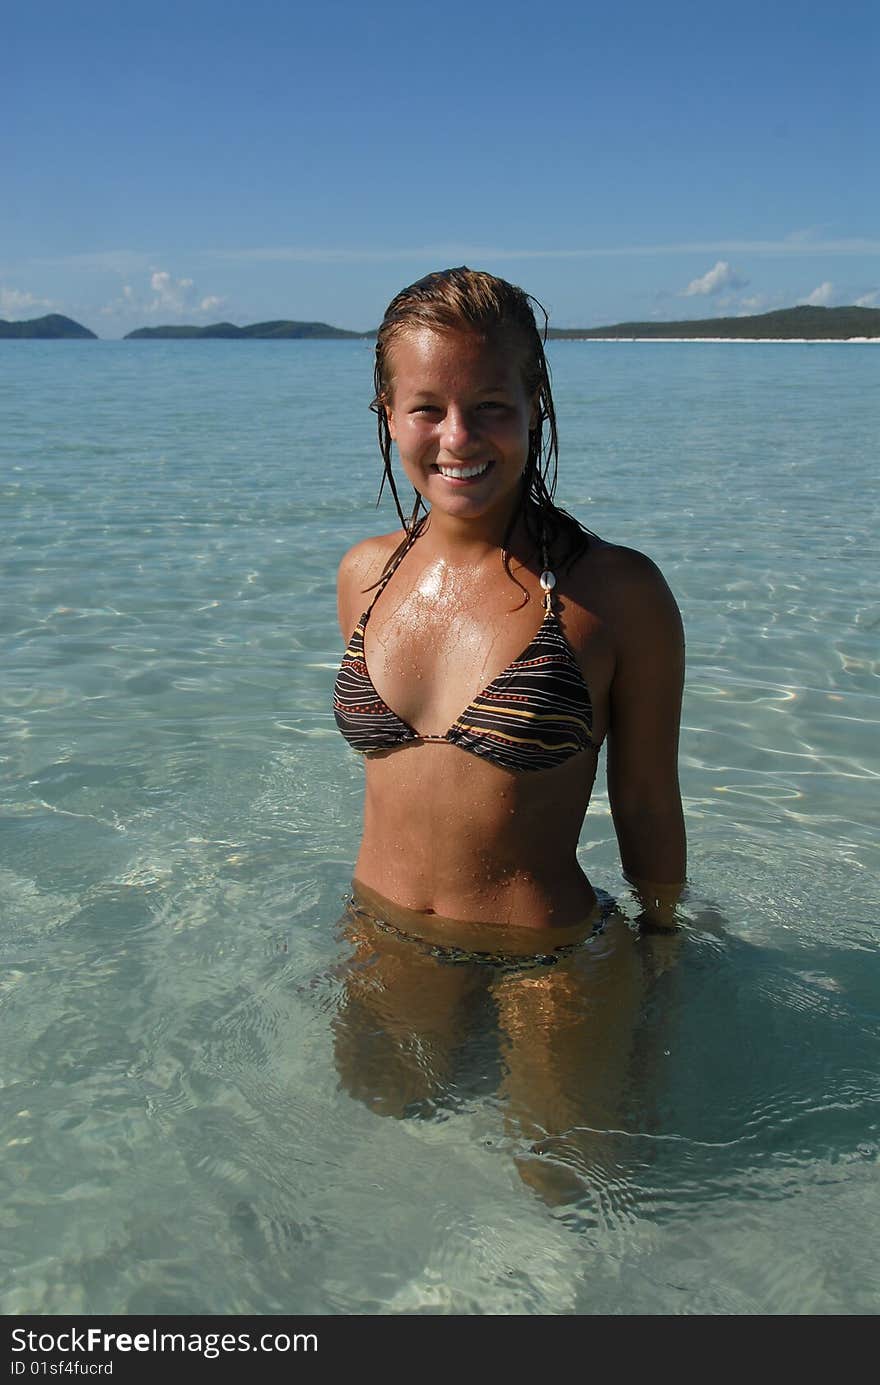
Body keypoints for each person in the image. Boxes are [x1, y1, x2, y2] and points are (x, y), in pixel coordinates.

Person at [331, 267, 685, 1194]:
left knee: (568, 1189)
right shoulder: (364, 578)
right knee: (375, 1133)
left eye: (490, 404)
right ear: (386, 412)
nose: (457, 437)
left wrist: (665, 946)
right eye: (426, 407)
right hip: (385, 935)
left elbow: (645, 793)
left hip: (549, 960)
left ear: (536, 404)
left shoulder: (615, 594)